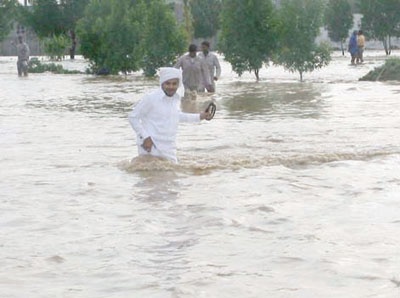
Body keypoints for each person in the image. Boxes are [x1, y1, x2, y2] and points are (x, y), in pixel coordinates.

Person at [128, 67, 213, 163]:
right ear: (162, 83)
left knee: (171, 174)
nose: (171, 87)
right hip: (150, 146)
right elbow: (133, 117)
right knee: (150, 175)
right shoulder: (151, 98)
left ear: (178, 84)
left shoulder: (175, 99)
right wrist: (145, 137)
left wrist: (200, 116)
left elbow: (176, 116)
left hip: (169, 146)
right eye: (167, 83)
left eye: (174, 84)